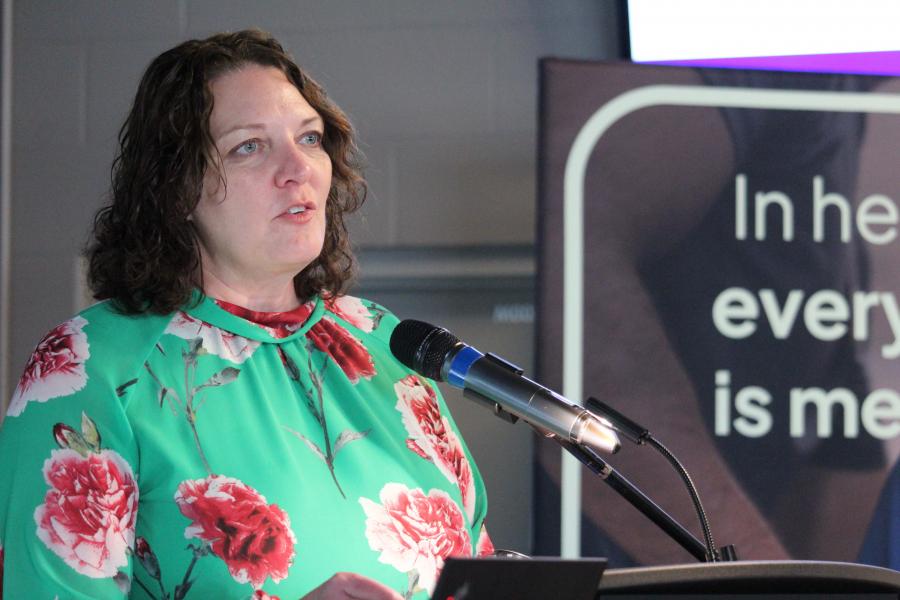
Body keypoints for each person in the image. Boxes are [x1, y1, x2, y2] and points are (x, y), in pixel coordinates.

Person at [0, 30, 491, 599]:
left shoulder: (382, 343)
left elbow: (475, 563)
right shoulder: (93, 367)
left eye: (309, 138)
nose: (297, 168)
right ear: (177, 188)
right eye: (248, 147)